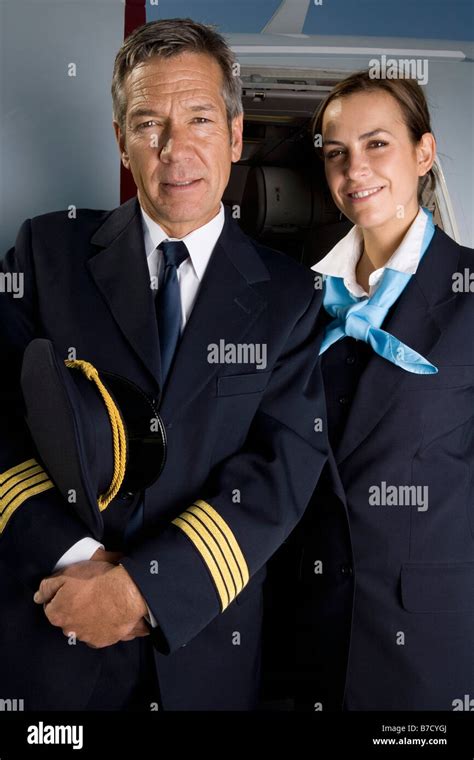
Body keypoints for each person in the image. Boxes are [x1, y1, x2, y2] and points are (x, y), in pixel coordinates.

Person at [0, 18, 328, 711]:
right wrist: (78, 561)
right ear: (121, 140)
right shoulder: (46, 252)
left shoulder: (291, 298)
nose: (175, 150)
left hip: (202, 652)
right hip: (54, 633)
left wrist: (146, 588)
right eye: (148, 123)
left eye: (200, 119)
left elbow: (282, 471)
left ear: (236, 135)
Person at [263, 70, 474, 711]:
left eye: (377, 144)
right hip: (302, 632)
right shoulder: (298, 301)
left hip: (429, 639)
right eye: (336, 153)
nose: (356, 169)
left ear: (424, 153)